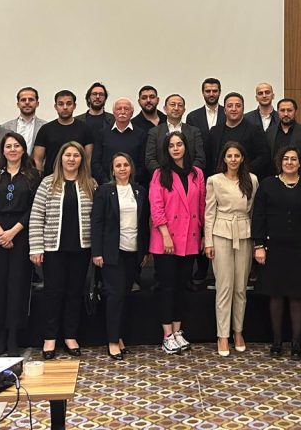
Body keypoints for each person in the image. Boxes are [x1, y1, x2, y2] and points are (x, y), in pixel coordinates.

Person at [252, 147, 301, 361]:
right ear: (279, 162)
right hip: (273, 249)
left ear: (300, 163)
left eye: (294, 159)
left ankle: (296, 343)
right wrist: (259, 245)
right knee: (275, 296)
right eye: (286, 159)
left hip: (300, 250)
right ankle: (276, 342)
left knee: (296, 297)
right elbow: (259, 217)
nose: (289, 162)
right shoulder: (267, 185)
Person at [30, 141, 97, 359]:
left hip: (81, 248)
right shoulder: (47, 183)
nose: (71, 159)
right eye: (67, 155)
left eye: (76, 155)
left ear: (81, 159)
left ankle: (70, 336)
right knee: (53, 292)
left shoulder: (90, 184)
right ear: (60, 158)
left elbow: (97, 219)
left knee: (74, 292)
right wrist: (36, 247)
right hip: (53, 248)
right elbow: (36, 216)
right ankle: (50, 338)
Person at [0, 131, 39, 356]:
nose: (12, 150)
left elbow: (34, 208)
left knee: (17, 285)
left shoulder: (33, 175)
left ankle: (13, 336)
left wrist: (12, 233)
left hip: (21, 234)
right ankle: (0, 337)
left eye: (16, 146)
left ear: (23, 149)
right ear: (2, 151)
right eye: (8, 146)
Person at [149, 131, 206, 354]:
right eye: (171, 145)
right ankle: (167, 335)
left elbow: (202, 205)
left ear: (186, 147)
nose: (175, 148)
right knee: (167, 287)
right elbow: (156, 206)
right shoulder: (160, 173)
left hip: (190, 237)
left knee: (182, 287)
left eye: (179, 144)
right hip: (166, 238)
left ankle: (177, 331)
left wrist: (204, 233)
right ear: (166, 150)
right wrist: (165, 234)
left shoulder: (196, 173)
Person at [91, 152, 150, 360]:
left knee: (124, 296)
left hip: (133, 252)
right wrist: (97, 252)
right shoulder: (104, 191)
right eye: (118, 166)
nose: (122, 169)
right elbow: (97, 222)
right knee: (115, 296)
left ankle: (120, 337)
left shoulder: (140, 191)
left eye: (126, 165)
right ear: (112, 170)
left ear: (131, 168)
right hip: (111, 253)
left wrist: (145, 250)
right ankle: (113, 341)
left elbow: (144, 223)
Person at [204, 141, 258, 357]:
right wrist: (208, 241)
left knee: (240, 288)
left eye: (237, 156)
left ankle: (238, 332)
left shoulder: (252, 180)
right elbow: (209, 212)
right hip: (221, 233)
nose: (233, 159)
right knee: (224, 287)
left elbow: (254, 211)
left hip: (244, 233)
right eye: (229, 156)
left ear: (242, 158)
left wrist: (256, 241)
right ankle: (223, 335)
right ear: (224, 159)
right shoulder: (214, 180)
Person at [207, 92, 270, 176]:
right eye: (230, 106)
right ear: (224, 110)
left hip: (246, 178)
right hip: (220, 179)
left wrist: (244, 172)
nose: (234, 109)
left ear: (243, 109)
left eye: (238, 106)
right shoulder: (215, 131)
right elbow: (209, 158)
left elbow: (263, 156)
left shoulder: (255, 130)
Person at [32, 89, 95, 175]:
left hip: (78, 178)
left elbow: (88, 158)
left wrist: (86, 177)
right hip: (51, 178)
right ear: (55, 107)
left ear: (74, 106)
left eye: (69, 104)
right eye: (61, 104)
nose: (65, 107)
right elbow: (38, 159)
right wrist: (39, 178)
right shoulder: (45, 129)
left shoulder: (85, 129)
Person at [145, 93, 206, 174]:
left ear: (184, 110)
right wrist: (163, 175)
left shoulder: (194, 132)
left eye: (180, 105)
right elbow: (150, 160)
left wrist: (189, 174)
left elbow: (200, 159)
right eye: (172, 105)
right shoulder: (154, 132)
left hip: (189, 177)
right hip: (163, 177)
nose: (176, 108)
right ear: (165, 109)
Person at [93, 98, 148, 185]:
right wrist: (107, 182)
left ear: (132, 113)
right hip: (107, 185)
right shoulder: (102, 134)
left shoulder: (141, 134)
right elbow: (96, 162)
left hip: (132, 185)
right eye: (119, 109)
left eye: (126, 109)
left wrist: (130, 182)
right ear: (114, 112)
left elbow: (143, 163)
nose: (122, 112)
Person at [266, 98, 301, 177]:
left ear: (295, 112)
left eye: (289, 110)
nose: (286, 114)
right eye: (282, 110)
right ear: (278, 112)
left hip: (298, 180)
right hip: (274, 179)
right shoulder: (269, 132)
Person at [1, 87, 47, 155]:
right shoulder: (5, 127)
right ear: (18, 104)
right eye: (23, 100)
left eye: (31, 100)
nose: (27, 102)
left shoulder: (46, 127)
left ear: (37, 104)